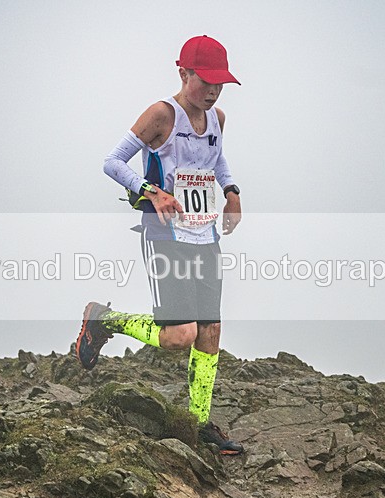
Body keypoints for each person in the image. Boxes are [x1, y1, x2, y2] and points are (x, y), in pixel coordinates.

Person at [75, 35, 244, 455]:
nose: (213, 91)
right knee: (178, 336)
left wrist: (232, 190)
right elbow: (112, 162)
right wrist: (151, 191)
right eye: (206, 81)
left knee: (211, 330)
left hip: (204, 234)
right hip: (164, 233)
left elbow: (216, 159)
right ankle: (103, 320)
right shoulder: (161, 115)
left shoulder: (217, 117)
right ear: (183, 73)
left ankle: (199, 423)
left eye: (220, 83)